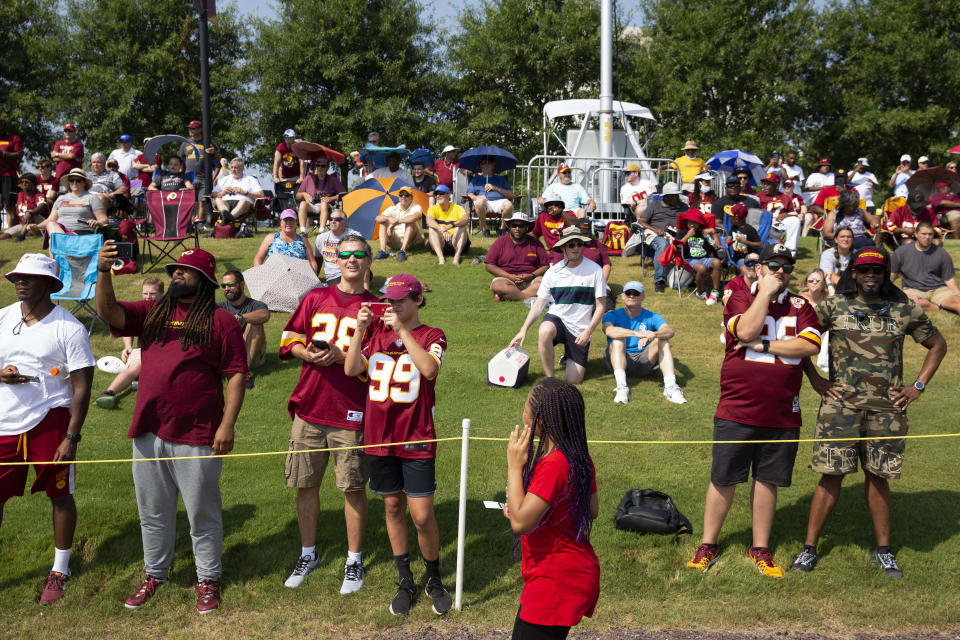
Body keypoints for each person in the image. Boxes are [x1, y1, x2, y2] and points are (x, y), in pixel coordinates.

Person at [95, 244, 247, 615]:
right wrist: (103, 272)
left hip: (197, 433)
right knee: (153, 513)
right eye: (174, 270)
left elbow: (237, 374)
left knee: (202, 514)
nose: (176, 274)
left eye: (185, 271)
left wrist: (227, 423)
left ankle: (208, 579)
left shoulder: (221, 321)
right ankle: (155, 574)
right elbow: (108, 312)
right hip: (148, 430)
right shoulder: (154, 311)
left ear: (205, 280)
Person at [792, 248, 946, 577]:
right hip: (839, 406)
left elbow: (938, 344)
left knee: (879, 476)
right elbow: (801, 341)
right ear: (855, 273)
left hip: (887, 409)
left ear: (885, 272)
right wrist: (816, 380)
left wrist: (917, 387)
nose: (871, 276)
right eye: (864, 271)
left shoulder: (903, 307)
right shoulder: (834, 306)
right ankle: (808, 549)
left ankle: (884, 551)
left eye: (878, 270)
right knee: (831, 474)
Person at [686, 243, 821, 578]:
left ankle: (760, 547)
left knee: (768, 480)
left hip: (782, 410)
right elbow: (744, 330)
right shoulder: (738, 296)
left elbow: (809, 345)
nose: (780, 273)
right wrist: (765, 293)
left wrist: (763, 345)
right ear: (759, 268)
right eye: (772, 266)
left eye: (786, 269)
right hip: (738, 406)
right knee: (723, 478)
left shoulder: (800, 305)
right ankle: (708, 544)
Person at [343, 273, 453, 617]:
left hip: (416, 434)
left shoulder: (432, 335)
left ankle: (433, 577)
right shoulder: (374, 333)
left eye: (399, 300)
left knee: (421, 515)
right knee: (392, 507)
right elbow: (350, 370)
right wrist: (360, 329)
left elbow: (429, 369)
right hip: (379, 437)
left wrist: (403, 332)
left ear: (418, 300)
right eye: (388, 301)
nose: (391, 306)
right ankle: (405, 579)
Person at [277, 235, 377, 593]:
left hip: (349, 408)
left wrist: (340, 356)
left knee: (352, 486)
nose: (351, 260)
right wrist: (308, 355)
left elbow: (377, 364)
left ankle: (354, 559)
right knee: (306, 484)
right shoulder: (317, 297)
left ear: (368, 260)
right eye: (345, 254)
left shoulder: (375, 307)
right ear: (336, 258)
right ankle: (308, 552)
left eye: (358, 255)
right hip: (310, 405)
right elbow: (288, 337)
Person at [0, 253, 95, 605]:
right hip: (4, 421)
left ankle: (60, 569)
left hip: (51, 421)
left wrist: (72, 436)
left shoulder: (68, 327)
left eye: (29, 277)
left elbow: (83, 386)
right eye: (17, 277)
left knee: (60, 495)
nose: (20, 281)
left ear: (49, 285)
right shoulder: (2, 318)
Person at [504, 378, 599, 640]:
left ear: (541, 420)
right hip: (572, 575)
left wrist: (514, 466)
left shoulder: (554, 465)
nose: (523, 412)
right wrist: (524, 506)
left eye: (526, 406)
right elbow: (591, 509)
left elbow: (521, 523)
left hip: (553, 583)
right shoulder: (578, 456)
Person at [510, 227, 606, 384]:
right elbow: (539, 304)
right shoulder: (552, 272)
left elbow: (601, 306)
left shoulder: (595, 270)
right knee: (544, 330)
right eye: (571, 245)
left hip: (580, 328)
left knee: (573, 380)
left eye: (578, 244)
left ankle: (568, 356)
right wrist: (524, 328)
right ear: (563, 247)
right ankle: (550, 379)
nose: (576, 248)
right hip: (558, 319)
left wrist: (588, 331)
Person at [602, 281, 686, 405]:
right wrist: (637, 333)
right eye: (628, 293)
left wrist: (653, 335)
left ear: (643, 296)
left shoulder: (652, 316)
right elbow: (609, 330)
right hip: (618, 358)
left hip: (643, 360)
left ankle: (670, 387)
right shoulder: (612, 314)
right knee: (618, 340)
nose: (631, 296)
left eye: (635, 293)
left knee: (663, 342)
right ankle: (621, 387)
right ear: (623, 296)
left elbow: (669, 331)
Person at [94, 278, 165, 409]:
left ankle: (142, 381)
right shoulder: (143, 308)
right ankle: (108, 393)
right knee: (137, 364)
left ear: (162, 294)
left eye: (152, 294)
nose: (148, 297)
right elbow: (127, 325)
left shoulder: (171, 310)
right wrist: (128, 347)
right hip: (144, 352)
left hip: (165, 354)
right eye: (145, 293)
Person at [890, 222, 960, 314]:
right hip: (913, 290)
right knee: (908, 303)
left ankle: (940, 304)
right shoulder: (901, 252)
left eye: (930, 234)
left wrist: (958, 294)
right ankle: (937, 307)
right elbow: (892, 276)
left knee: (957, 303)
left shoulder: (942, 254)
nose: (927, 237)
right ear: (916, 234)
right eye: (924, 234)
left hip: (938, 289)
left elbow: (949, 279)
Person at [217, 270, 270, 389]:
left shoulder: (255, 305)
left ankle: (244, 371)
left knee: (255, 323)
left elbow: (264, 315)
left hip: (251, 356)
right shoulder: (220, 307)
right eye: (224, 286)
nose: (226, 288)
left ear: (241, 285)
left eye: (230, 285)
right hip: (228, 353)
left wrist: (240, 318)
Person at [485, 213, 549, 302]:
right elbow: (489, 265)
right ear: (510, 227)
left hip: (531, 280)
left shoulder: (536, 243)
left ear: (527, 227)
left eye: (521, 226)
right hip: (507, 279)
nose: (517, 229)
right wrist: (509, 276)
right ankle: (528, 297)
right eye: (514, 226)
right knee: (497, 285)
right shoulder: (500, 242)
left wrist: (531, 275)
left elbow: (546, 265)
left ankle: (511, 295)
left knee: (544, 284)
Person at [640, 182, 688, 293]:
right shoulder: (655, 205)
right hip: (656, 233)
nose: (675, 198)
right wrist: (654, 229)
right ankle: (660, 281)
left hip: (678, 234)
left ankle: (689, 277)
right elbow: (641, 221)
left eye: (676, 195)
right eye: (672, 195)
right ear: (665, 196)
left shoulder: (683, 207)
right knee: (663, 244)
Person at [676, 208, 722, 304]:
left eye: (695, 222)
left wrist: (713, 232)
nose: (692, 225)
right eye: (690, 222)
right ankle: (700, 292)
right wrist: (688, 235)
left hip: (704, 258)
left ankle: (715, 293)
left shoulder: (703, 233)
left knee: (717, 262)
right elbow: (677, 247)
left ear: (699, 223)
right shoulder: (682, 232)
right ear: (686, 222)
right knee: (702, 268)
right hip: (689, 259)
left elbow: (718, 246)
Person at [179, 120, 220, 223]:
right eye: (189, 128)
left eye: (193, 128)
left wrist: (213, 178)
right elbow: (179, 160)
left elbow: (219, 160)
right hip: (188, 178)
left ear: (200, 129)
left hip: (204, 177)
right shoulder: (185, 143)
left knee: (202, 201)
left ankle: (199, 224)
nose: (190, 130)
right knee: (190, 202)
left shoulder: (208, 142)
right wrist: (180, 175)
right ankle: (187, 224)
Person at [253, 209, 318, 273]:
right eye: (285, 220)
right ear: (280, 222)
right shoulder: (271, 238)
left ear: (296, 222)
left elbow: (312, 262)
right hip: (274, 276)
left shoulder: (303, 240)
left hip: (298, 277)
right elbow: (258, 258)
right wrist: (260, 273)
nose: (288, 223)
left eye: (291, 220)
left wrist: (311, 276)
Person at [47, 168, 107, 236]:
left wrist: (98, 222)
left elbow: (103, 218)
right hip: (61, 230)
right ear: (69, 182)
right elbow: (51, 219)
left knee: (52, 240)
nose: (74, 183)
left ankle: (62, 241)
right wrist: (37, 226)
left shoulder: (92, 198)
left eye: (78, 180)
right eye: (71, 180)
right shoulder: (61, 198)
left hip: (82, 231)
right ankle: (63, 240)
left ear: (84, 182)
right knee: (51, 224)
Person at [372, 186, 424, 262]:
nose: (403, 197)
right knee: (382, 222)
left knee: (410, 222)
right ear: (399, 198)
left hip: (414, 240)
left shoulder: (416, 207)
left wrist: (396, 222)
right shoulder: (393, 208)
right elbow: (378, 218)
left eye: (406, 195)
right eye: (401, 195)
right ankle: (383, 251)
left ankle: (402, 251)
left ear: (411, 198)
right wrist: (389, 219)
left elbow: (415, 217)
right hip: (396, 240)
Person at [466, 157, 514, 237]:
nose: (485, 165)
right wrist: (478, 198)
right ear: (480, 166)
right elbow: (469, 194)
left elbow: (510, 194)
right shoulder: (475, 180)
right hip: (483, 203)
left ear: (494, 165)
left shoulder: (501, 179)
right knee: (479, 202)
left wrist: (495, 188)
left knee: (509, 205)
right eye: (483, 163)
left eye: (488, 163)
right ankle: (485, 229)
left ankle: (502, 229)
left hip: (499, 201)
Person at [296, 157, 345, 233]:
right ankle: (303, 231)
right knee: (302, 203)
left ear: (328, 167)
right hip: (311, 205)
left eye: (323, 166)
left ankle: (321, 231)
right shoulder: (309, 178)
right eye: (318, 165)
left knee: (324, 204)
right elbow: (297, 196)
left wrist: (331, 198)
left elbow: (343, 195)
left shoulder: (333, 179)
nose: (320, 168)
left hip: (326, 206)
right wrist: (304, 194)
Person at [314, 210, 363, 285]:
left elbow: (362, 257)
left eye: (337, 219)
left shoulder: (354, 236)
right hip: (334, 275)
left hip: (351, 270)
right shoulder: (321, 238)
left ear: (345, 222)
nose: (333, 221)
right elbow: (318, 259)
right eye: (331, 219)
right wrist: (315, 279)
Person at [757, 173, 800, 254]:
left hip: (779, 224)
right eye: (764, 183)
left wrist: (787, 215)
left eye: (768, 184)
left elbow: (794, 214)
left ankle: (790, 251)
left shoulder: (785, 197)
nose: (765, 186)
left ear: (777, 185)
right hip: (764, 224)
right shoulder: (758, 196)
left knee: (795, 221)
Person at [425, 185, 469, 265]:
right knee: (431, 229)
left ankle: (457, 256)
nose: (438, 196)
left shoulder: (457, 208)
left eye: (441, 193)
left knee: (462, 227)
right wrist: (441, 229)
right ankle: (441, 258)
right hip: (440, 243)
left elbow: (465, 219)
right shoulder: (433, 208)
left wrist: (451, 225)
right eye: (436, 194)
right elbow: (429, 221)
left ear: (449, 195)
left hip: (455, 242)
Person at [212, 157, 264, 224]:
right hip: (226, 204)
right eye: (232, 167)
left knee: (243, 201)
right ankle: (227, 216)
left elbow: (262, 195)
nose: (233, 170)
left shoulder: (250, 179)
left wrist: (245, 192)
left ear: (242, 168)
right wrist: (223, 192)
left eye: (236, 168)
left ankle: (227, 219)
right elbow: (213, 194)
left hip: (243, 204)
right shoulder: (224, 179)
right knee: (218, 199)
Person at [0, 174, 49, 241]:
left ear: (34, 184)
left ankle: (21, 236)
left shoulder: (39, 195)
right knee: (6, 234)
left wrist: (30, 213)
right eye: (22, 182)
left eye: (26, 182)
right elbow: (18, 214)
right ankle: (23, 233)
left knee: (30, 213)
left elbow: (42, 206)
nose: (23, 184)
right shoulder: (20, 195)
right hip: (24, 225)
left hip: (39, 225)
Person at [0, 119, 24, 228]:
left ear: (4, 128)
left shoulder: (14, 138)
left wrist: (3, 154)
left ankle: (10, 231)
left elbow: (19, 154)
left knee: (9, 205)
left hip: (8, 175)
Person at [724, 203, 763, 268]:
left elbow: (760, 245)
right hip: (739, 258)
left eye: (730, 216)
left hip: (751, 257)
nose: (729, 218)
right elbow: (728, 239)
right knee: (743, 265)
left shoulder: (750, 230)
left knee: (746, 267)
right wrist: (724, 245)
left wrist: (744, 241)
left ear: (736, 219)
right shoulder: (734, 227)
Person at [819, 226, 855, 294]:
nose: (846, 239)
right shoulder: (827, 254)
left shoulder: (857, 254)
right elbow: (828, 275)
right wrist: (850, 287)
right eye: (842, 236)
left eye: (849, 237)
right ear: (836, 239)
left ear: (852, 240)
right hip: (832, 289)